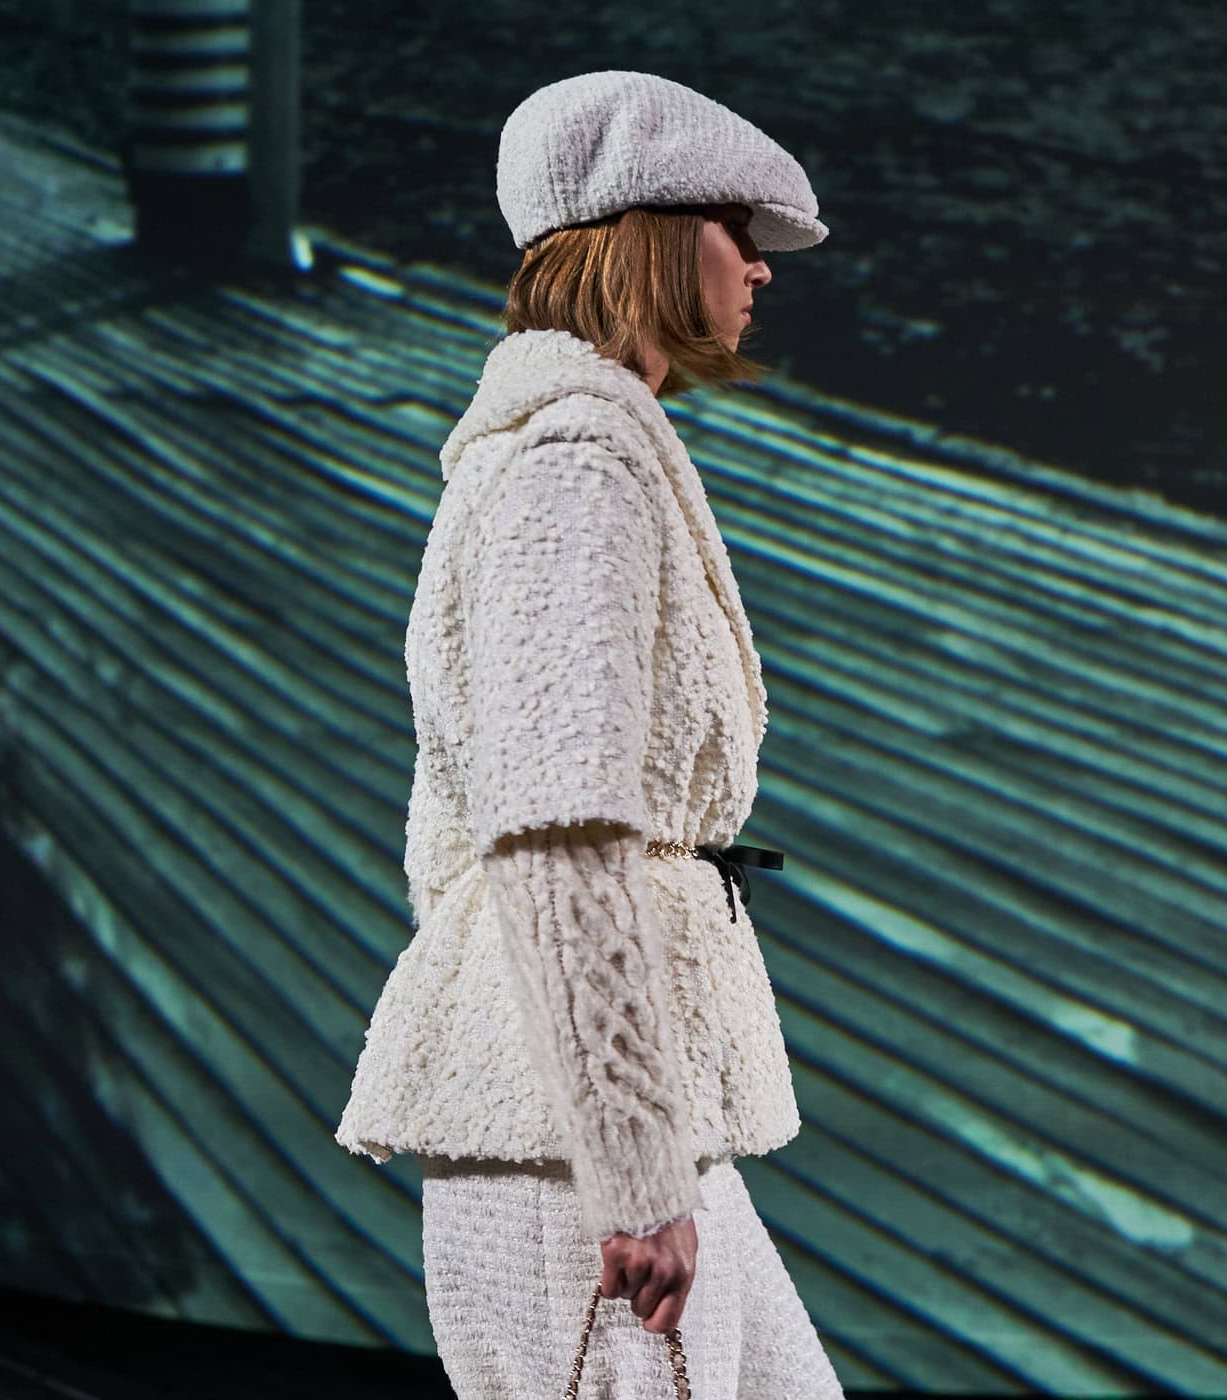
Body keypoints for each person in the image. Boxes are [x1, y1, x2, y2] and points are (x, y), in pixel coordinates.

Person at [332, 70, 844, 1398]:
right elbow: (553, 835)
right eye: (735, 230)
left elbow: (471, 822)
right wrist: (633, 1179)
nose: (760, 269)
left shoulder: (574, 447)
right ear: (653, 239)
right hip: (586, 1157)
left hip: (622, 1123)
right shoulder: (576, 464)